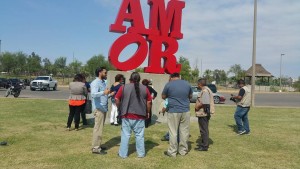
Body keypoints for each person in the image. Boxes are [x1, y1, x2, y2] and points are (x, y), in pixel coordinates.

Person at [115, 72, 152, 158]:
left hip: (126, 115)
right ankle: (141, 154)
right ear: (139, 79)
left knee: (125, 135)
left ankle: (123, 154)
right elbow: (149, 101)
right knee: (139, 136)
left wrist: (120, 108)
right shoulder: (145, 88)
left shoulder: (123, 87)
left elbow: (117, 99)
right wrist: (148, 112)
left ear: (130, 79)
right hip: (140, 115)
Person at [162, 73, 193, 157]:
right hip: (185, 110)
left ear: (171, 77)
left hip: (173, 110)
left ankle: (172, 152)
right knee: (184, 131)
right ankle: (183, 151)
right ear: (179, 77)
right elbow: (190, 96)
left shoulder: (169, 84)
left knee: (173, 132)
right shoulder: (187, 84)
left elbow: (163, 96)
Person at [91, 67, 115, 155]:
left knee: (100, 128)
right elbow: (93, 94)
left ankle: (98, 145)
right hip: (99, 109)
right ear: (100, 72)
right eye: (105, 73)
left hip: (103, 109)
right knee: (98, 129)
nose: (106, 74)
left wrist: (109, 94)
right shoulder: (95, 82)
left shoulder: (102, 82)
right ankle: (95, 148)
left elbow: (103, 96)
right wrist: (104, 93)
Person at [194, 78, 214, 151]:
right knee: (204, 129)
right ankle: (203, 143)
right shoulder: (206, 89)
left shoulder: (205, 91)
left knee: (203, 130)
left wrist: (197, 107)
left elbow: (205, 103)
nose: (197, 85)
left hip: (203, 113)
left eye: (198, 84)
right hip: (204, 113)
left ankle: (204, 146)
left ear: (200, 84)